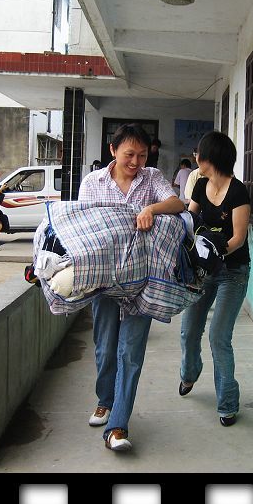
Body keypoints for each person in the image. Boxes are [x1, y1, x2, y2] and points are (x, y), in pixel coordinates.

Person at [78, 123, 184, 452]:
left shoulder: (152, 178)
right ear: (113, 150)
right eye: (129, 154)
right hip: (104, 279)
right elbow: (83, 226)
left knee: (131, 352)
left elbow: (177, 204)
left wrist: (150, 208)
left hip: (143, 281)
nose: (136, 161)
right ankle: (105, 400)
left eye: (142, 155)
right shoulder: (92, 183)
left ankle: (117, 426)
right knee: (105, 347)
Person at [178, 131, 251, 427]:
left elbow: (238, 237)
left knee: (218, 337)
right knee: (188, 331)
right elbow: (190, 221)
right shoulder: (200, 185)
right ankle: (189, 374)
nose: (196, 157)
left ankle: (228, 404)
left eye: (200, 153)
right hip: (203, 272)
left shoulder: (238, 191)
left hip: (232, 273)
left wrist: (214, 253)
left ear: (211, 158)